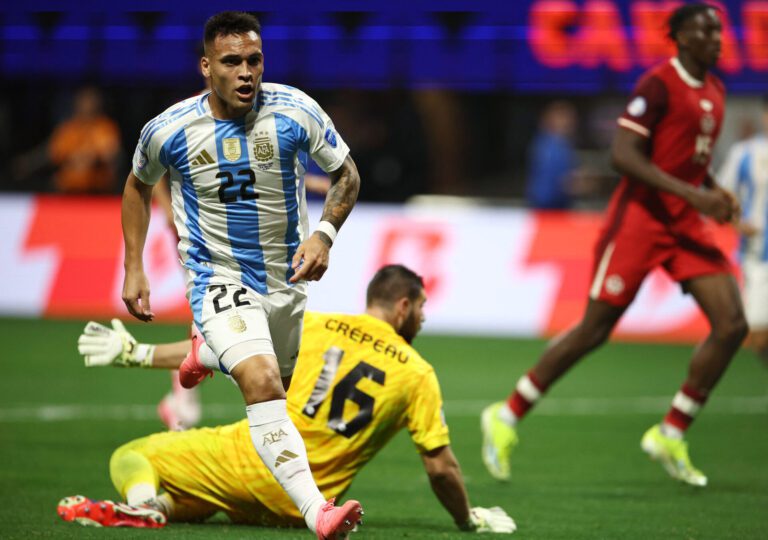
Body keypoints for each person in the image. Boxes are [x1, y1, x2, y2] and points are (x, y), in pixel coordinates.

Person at [482, 3, 746, 488]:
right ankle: (507, 413)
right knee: (594, 329)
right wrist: (694, 195)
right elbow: (623, 155)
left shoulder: (715, 89)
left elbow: (688, 159)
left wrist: (713, 191)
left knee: (732, 325)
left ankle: (671, 431)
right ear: (681, 36)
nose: (717, 37)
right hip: (639, 223)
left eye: (719, 29)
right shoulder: (658, 85)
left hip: (685, 225)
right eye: (706, 29)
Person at [119, 11, 362, 537]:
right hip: (217, 276)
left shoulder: (295, 110)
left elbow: (346, 173)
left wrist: (324, 235)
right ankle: (317, 512)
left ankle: (203, 353)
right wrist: (133, 265)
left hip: (286, 281)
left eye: (254, 60)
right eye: (232, 62)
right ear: (207, 66)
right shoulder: (170, 129)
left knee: (280, 384)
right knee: (262, 381)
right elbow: (138, 185)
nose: (246, 72)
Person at [67, 265, 517, 534]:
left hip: (249, 461)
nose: (423, 318)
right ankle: (164, 507)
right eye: (421, 308)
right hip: (298, 504)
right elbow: (440, 469)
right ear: (403, 307)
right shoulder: (418, 372)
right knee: (207, 496)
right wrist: (468, 519)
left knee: (132, 455)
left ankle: (142, 505)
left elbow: (230, 349)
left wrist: (137, 353)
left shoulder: (314, 325)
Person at [717, 96, 768, 367]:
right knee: (758, 336)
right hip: (758, 256)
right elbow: (722, 197)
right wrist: (737, 223)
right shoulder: (745, 153)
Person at [48, 86, 121, 193]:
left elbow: (111, 154)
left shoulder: (106, 127)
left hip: (98, 191)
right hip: (68, 191)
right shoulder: (67, 129)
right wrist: (74, 159)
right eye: (84, 101)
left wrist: (91, 158)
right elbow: (55, 154)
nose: (87, 105)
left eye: (91, 101)